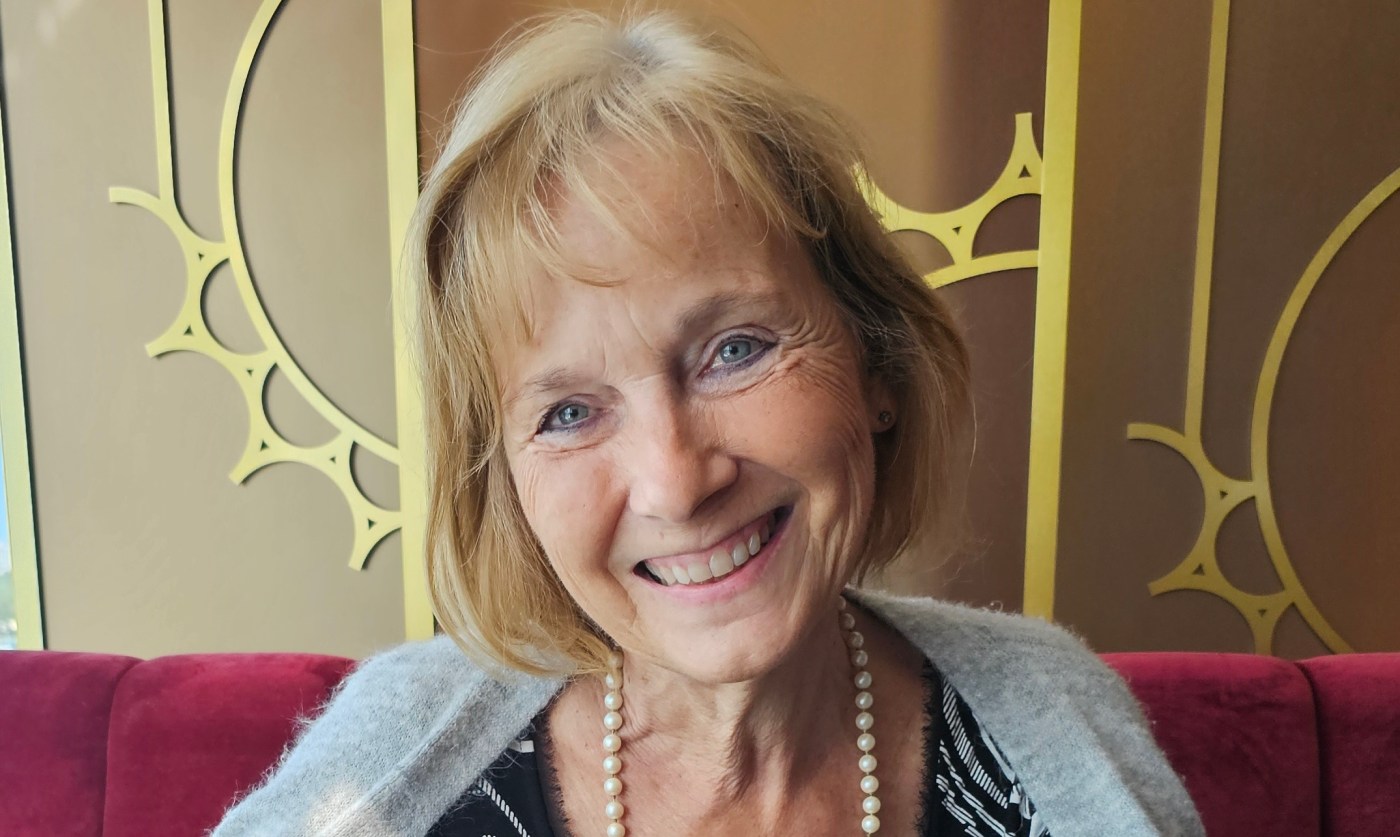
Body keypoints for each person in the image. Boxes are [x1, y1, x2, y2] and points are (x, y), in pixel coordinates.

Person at [214, 10, 1202, 837]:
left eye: (734, 350)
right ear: (508, 480)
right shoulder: (394, 769)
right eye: (568, 412)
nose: (676, 483)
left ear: (876, 362)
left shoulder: (1057, 724)